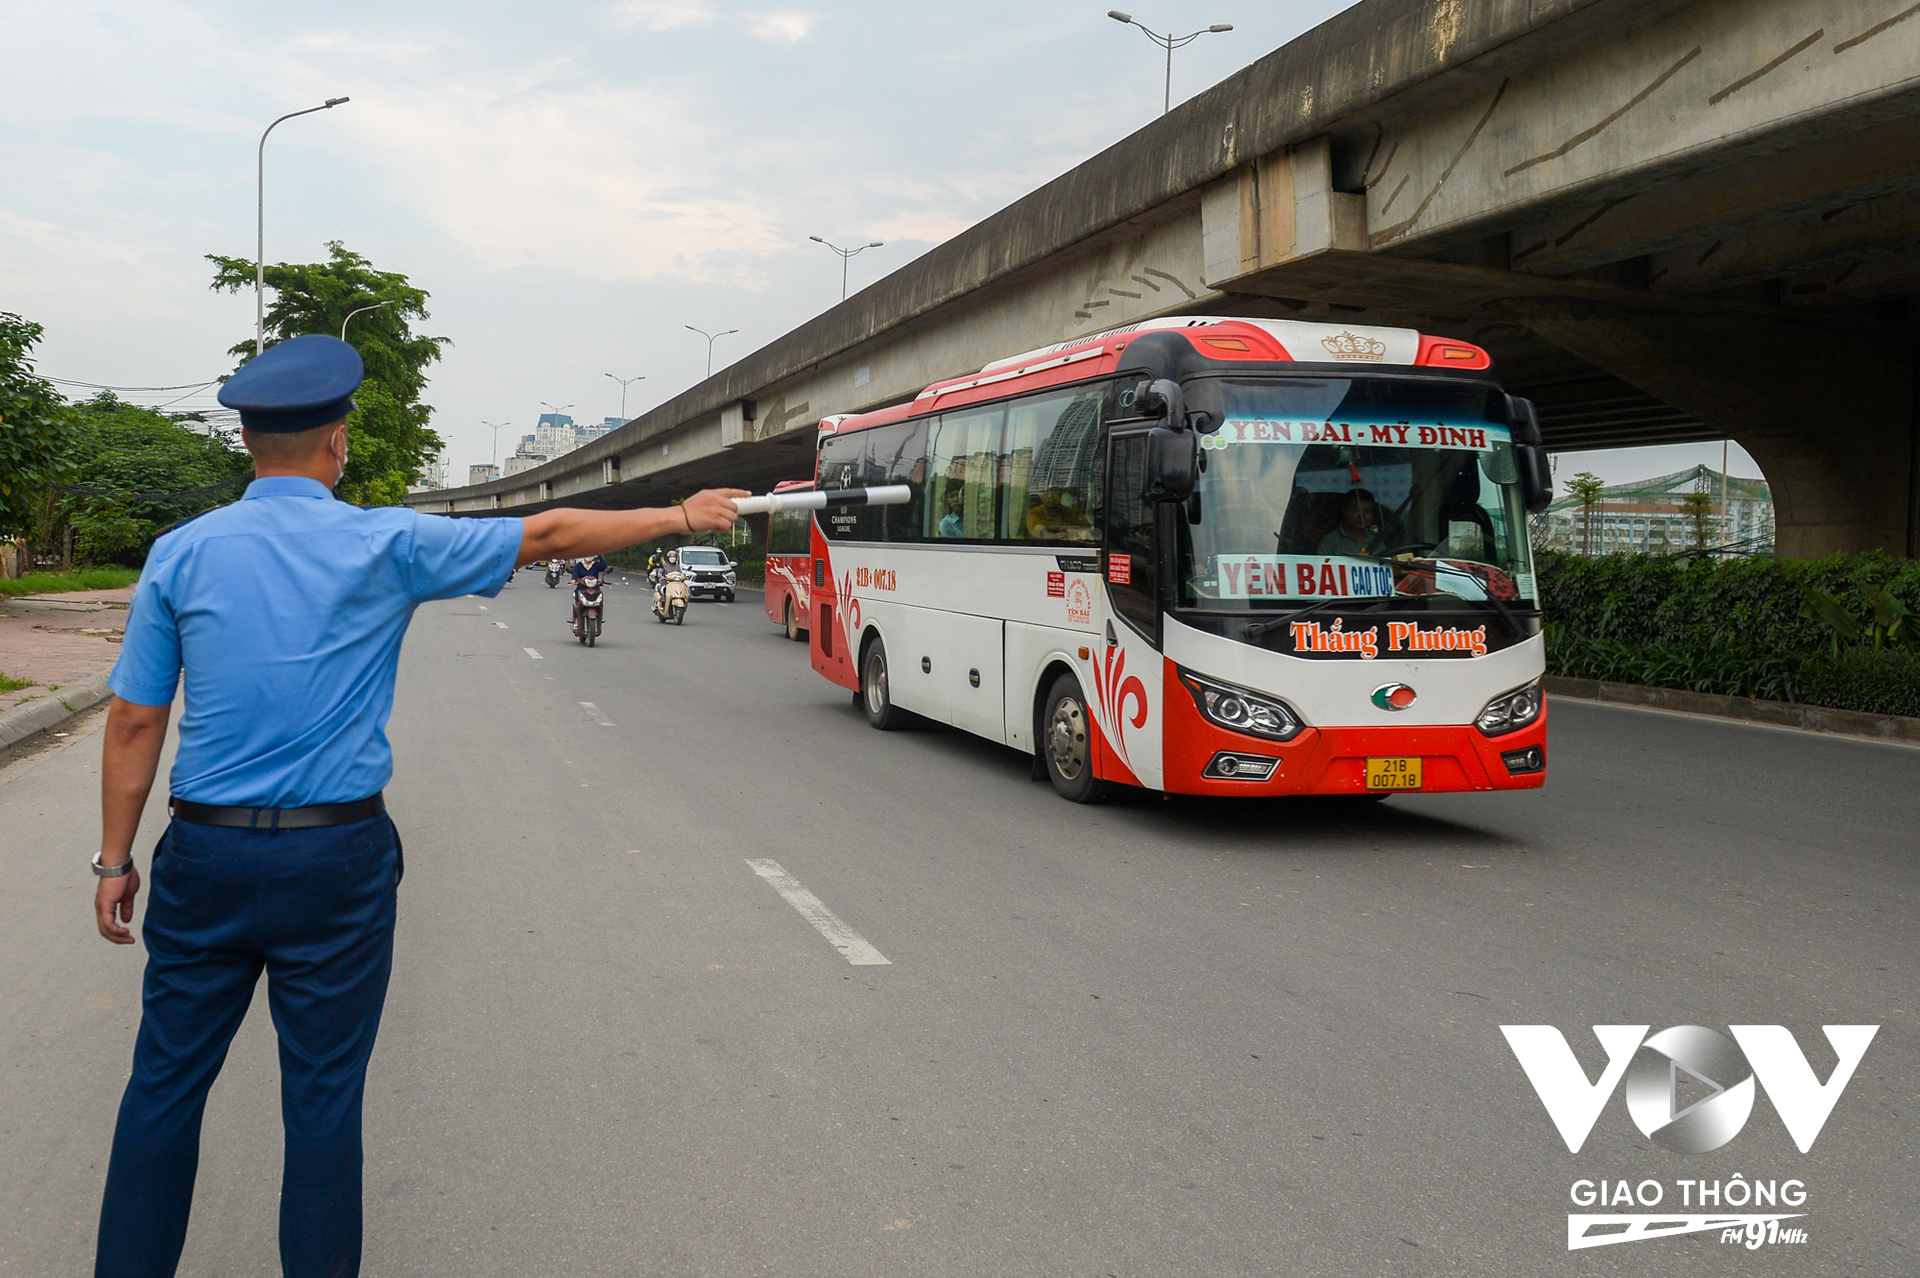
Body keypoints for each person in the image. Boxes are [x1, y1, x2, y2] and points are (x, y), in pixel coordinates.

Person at [88, 334, 743, 1278]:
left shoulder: (179, 554)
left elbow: (133, 722)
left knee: (162, 1090)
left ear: (247, 443)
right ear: (338, 443)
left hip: (206, 859)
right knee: (321, 1103)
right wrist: (680, 512)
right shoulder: (386, 540)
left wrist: (115, 860)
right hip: (336, 861)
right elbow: (552, 534)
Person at [1317, 487, 1384, 557]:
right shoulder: (1331, 541)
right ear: (1344, 511)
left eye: (1367, 511)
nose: (1361, 516)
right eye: (1356, 510)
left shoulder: (1377, 542)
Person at [1023, 485, 1092, 541]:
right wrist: (1055, 537)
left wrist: (1070, 534)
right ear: (1041, 496)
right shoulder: (1034, 513)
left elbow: (1088, 532)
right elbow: (1038, 531)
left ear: (1061, 495)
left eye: (1054, 492)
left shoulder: (1074, 513)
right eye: (1045, 493)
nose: (1050, 496)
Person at [569, 553, 608, 632]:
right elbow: (575, 573)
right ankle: (576, 620)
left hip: (595, 588)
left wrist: (600, 555)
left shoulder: (596, 565)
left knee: (600, 601)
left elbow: (604, 566)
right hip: (581, 588)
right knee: (577, 600)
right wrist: (573, 579)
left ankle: (599, 622)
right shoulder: (579, 565)